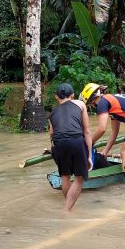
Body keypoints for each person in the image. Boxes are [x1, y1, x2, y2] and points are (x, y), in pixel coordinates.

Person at [48, 83, 93, 211]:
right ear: (72, 95)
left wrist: (55, 151)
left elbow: (51, 135)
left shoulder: (52, 113)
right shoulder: (80, 104)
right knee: (79, 178)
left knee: (65, 176)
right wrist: (89, 155)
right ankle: (66, 211)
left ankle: (68, 208)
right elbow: (87, 131)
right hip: (75, 140)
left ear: (57, 97)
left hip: (58, 143)